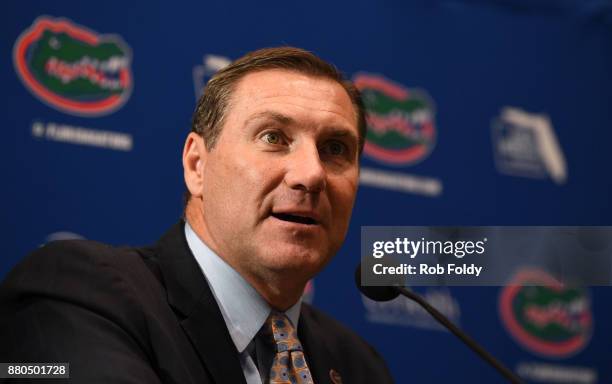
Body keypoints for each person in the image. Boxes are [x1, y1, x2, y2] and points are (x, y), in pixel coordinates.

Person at [0, 47, 394, 384]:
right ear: (197, 165)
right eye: (273, 137)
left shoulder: (358, 365)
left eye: (336, 149)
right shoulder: (77, 294)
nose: (311, 173)